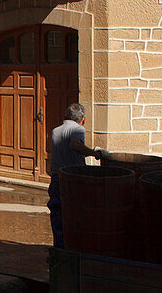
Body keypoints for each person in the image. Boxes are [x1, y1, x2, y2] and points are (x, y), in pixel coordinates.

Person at [48, 103, 107, 248]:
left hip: (56, 178)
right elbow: (75, 145)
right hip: (72, 179)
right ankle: (73, 250)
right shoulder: (78, 129)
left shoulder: (56, 131)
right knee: (75, 215)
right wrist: (94, 153)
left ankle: (59, 248)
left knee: (57, 215)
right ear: (83, 119)